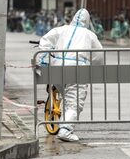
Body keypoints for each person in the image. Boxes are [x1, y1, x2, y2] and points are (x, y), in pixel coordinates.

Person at [38, 8, 103, 142]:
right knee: (74, 102)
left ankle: (63, 124)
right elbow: (98, 56)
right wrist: (94, 67)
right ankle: (65, 130)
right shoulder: (89, 34)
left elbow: (45, 40)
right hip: (77, 70)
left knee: (66, 98)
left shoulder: (62, 29)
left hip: (57, 68)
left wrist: (43, 58)